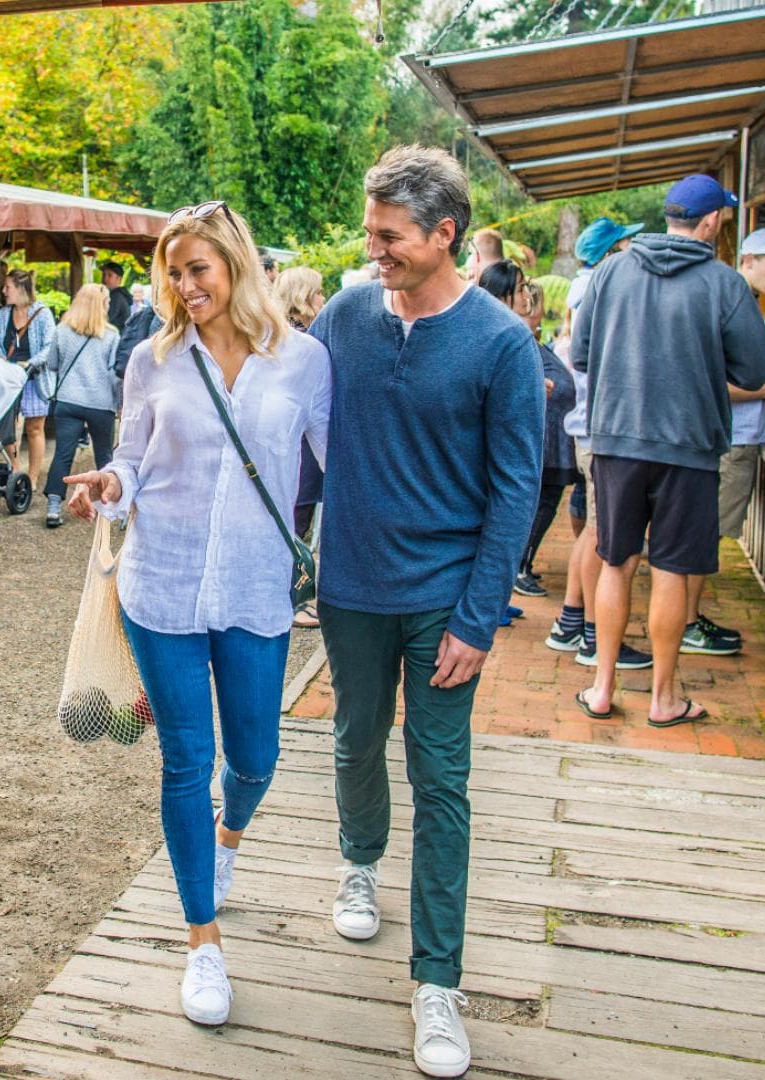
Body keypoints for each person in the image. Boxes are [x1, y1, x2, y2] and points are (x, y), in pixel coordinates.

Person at [63, 200, 330, 1030]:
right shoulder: (152, 358)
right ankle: (203, 946)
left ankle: (229, 838)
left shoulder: (306, 361)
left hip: (254, 592)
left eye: (197, 270)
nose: (183, 287)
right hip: (163, 585)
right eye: (172, 274)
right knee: (187, 761)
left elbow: (341, 467)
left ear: (237, 265)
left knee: (252, 758)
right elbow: (132, 459)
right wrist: (111, 485)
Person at [308, 146, 542, 1079]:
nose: (376, 252)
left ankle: (437, 984)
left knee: (442, 781)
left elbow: (516, 490)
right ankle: (359, 857)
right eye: (372, 234)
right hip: (351, 587)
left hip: (445, 597)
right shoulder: (345, 314)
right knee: (356, 740)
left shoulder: (500, 342)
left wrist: (479, 617)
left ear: (447, 234)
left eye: (390, 236)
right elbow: (286, 428)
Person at [572, 174, 765, 729]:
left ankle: (602, 687)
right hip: (690, 447)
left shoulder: (611, 270)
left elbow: (583, 353)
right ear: (709, 222)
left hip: (616, 439)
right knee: (672, 570)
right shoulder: (725, 284)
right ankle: (663, 698)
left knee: (615, 562)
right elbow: (756, 368)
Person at [680, 228, 765, 657]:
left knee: (702, 535)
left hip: (729, 435)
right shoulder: (731, 301)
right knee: (703, 535)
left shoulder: (742, 300)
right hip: (728, 438)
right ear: (748, 260)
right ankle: (688, 623)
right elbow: (714, 380)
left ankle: (688, 619)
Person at [549, 214, 652, 672]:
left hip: (590, 427)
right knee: (601, 535)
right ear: (611, 251)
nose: (633, 249)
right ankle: (594, 633)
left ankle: (573, 620)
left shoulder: (586, 288)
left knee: (594, 530)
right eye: (626, 243)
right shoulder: (601, 290)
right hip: (599, 429)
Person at [479, 263, 574, 605]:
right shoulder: (493, 331)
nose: (525, 296)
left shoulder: (509, 331)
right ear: (504, 292)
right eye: (520, 288)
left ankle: (498, 598)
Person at [32, 283, 121, 528]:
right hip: (101, 403)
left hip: (68, 400)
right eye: (106, 303)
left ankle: (53, 506)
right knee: (105, 455)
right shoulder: (111, 335)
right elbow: (115, 374)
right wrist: (120, 402)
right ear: (99, 306)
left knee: (63, 453)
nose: (108, 307)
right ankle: (111, 506)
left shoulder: (62, 330)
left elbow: (51, 363)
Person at [272, 265, 328, 628]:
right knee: (293, 527)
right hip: (300, 454)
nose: (324, 299)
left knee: (292, 524)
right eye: (319, 292)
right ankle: (289, 600)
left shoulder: (276, 337)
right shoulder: (303, 345)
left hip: (294, 452)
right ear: (305, 298)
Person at [0, 269, 56, 494]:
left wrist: (29, 363)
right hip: (8, 379)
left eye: (8, 287)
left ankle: (33, 476)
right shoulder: (3, 314)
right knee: (6, 427)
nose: (4, 291)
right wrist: (3, 363)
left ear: (21, 289)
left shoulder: (42, 314)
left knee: (34, 428)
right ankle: (16, 470)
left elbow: (50, 347)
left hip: (33, 378)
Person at [101, 261, 134, 331]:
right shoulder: (119, 294)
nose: (105, 279)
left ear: (118, 279)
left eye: (109, 275)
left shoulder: (116, 296)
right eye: (104, 275)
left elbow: (105, 320)